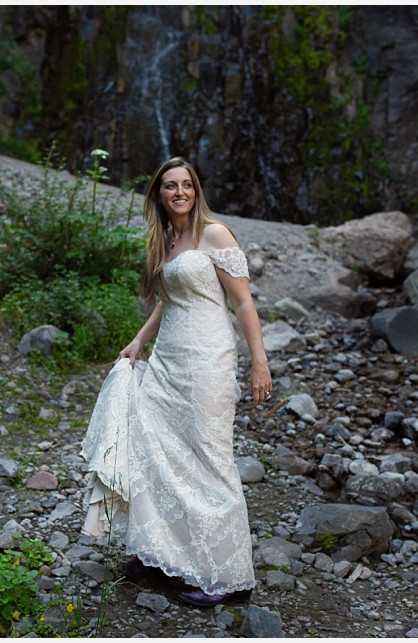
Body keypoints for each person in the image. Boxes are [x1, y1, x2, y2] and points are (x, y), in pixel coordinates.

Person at [80, 157, 272, 608]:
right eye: (171, 186)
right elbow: (168, 302)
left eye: (187, 184)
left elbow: (242, 302)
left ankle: (230, 577)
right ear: (159, 194)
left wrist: (259, 362)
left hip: (208, 359)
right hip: (169, 359)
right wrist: (137, 342)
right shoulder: (167, 239)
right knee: (157, 450)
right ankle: (160, 553)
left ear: (196, 190)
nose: (180, 192)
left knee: (210, 459)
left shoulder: (214, 234)